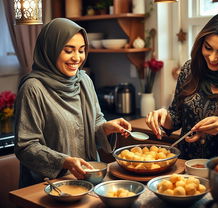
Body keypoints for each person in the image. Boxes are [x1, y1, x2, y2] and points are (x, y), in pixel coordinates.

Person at [14, 18, 132, 187]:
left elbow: (95, 122)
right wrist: (63, 161)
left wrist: (106, 128)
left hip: (87, 180)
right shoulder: (33, 88)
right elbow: (26, 147)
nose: (77, 58)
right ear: (51, 50)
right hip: (49, 186)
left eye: (81, 50)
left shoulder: (84, 80)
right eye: (68, 51)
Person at [146, 11, 218, 160]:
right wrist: (164, 116)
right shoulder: (190, 70)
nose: (212, 58)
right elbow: (176, 116)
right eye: (208, 48)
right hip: (186, 169)